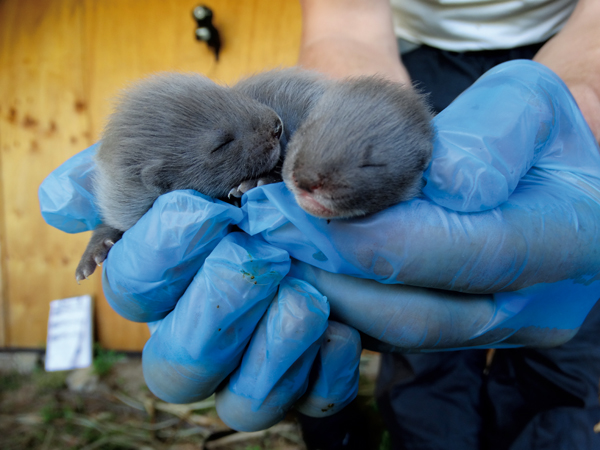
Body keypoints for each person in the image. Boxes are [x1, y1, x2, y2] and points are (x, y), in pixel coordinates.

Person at [37, 0, 600, 448]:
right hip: (409, 57)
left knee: (566, 333)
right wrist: (331, 125)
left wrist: (585, 106)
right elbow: (345, 24)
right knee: (416, 316)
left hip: (582, 44)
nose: (275, 126)